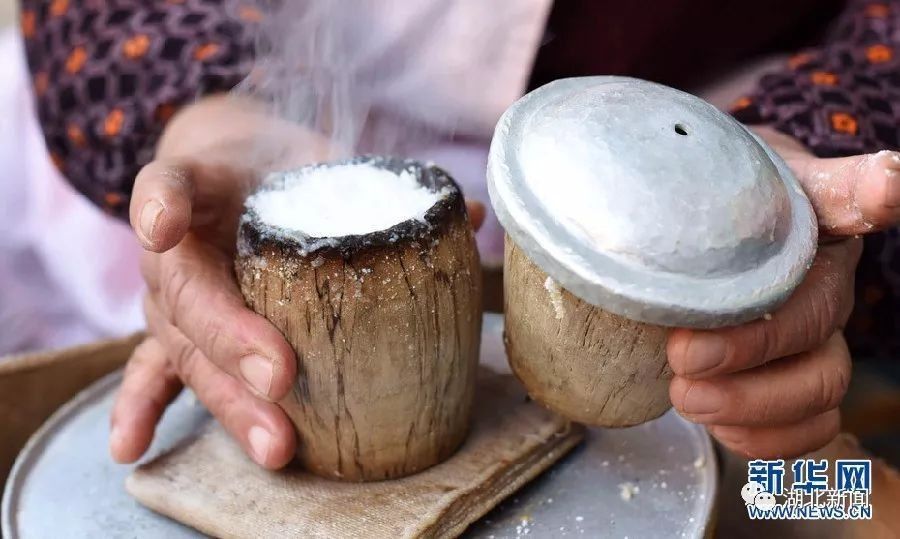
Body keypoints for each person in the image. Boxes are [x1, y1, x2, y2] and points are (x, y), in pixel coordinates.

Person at [16, 0, 900, 469]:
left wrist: (794, 159)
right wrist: (203, 114)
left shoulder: (811, 480)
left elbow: (848, 503)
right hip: (237, 115)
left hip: (702, 173)